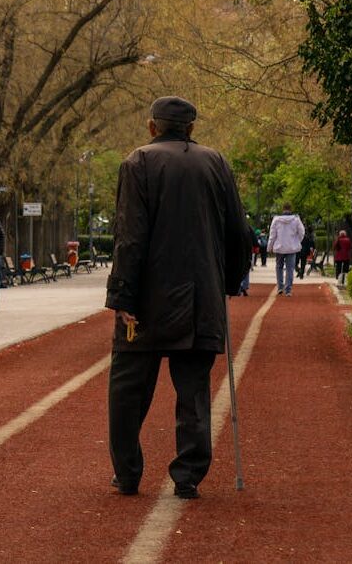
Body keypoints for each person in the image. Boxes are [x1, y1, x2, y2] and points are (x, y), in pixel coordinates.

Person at [105, 96, 251, 499]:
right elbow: (239, 232)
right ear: (191, 128)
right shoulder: (216, 162)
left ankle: (127, 473)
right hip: (201, 298)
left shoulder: (138, 162)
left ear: (152, 126)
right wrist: (229, 281)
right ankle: (188, 475)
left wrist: (122, 296)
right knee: (194, 392)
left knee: (127, 391)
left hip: (146, 302)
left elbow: (130, 236)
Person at [267, 204, 305, 296]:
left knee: (279, 267)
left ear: (282, 209)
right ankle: (288, 290)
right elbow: (302, 232)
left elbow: (272, 235)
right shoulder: (296, 220)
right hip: (291, 248)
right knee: (290, 269)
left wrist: (270, 247)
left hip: (279, 247)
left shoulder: (276, 220)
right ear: (291, 209)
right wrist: (297, 241)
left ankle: (280, 287)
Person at [240, 227, 259, 296]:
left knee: (237, 268)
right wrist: (256, 246)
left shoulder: (233, 225)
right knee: (246, 267)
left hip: (237, 249)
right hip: (247, 250)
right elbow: (254, 239)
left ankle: (239, 286)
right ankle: (244, 286)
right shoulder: (248, 228)